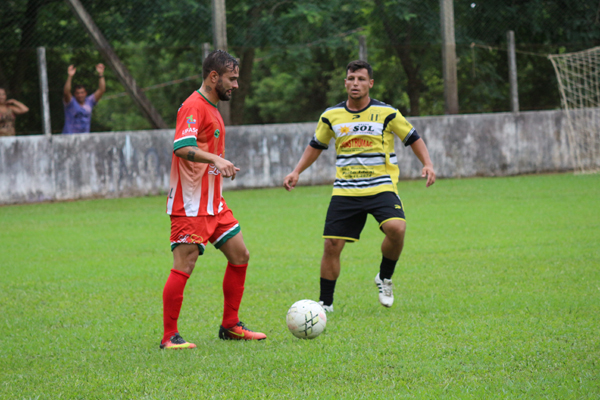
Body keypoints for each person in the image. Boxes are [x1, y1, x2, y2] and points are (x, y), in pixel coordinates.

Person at [283, 60, 436, 313]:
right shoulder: (331, 116)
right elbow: (316, 146)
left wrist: (428, 163)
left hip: (381, 186)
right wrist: (296, 171)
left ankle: (384, 278)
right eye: (351, 78)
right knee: (332, 245)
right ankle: (326, 304)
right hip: (346, 190)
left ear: (370, 83)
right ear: (345, 83)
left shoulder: (387, 113)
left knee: (397, 228)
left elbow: (413, 138)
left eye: (361, 79)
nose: (356, 83)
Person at [160, 50, 266, 349]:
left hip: (213, 203)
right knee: (185, 264)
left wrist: (217, 164)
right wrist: (215, 160)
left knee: (240, 255)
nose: (236, 85)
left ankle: (230, 326)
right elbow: (182, 146)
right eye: (232, 79)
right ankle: (170, 337)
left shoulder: (214, 107)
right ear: (214, 76)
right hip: (190, 203)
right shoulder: (194, 106)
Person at [62, 63, 106, 134]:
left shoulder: (90, 101)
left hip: (84, 138)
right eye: (78, 93)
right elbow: (66, 92)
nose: (80, 95)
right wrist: (70, 76)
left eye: (82, 92)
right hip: (69, 137)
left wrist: (101, 74)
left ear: (86, 93)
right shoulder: (71, 103)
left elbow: (101, 90)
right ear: (74, 94)